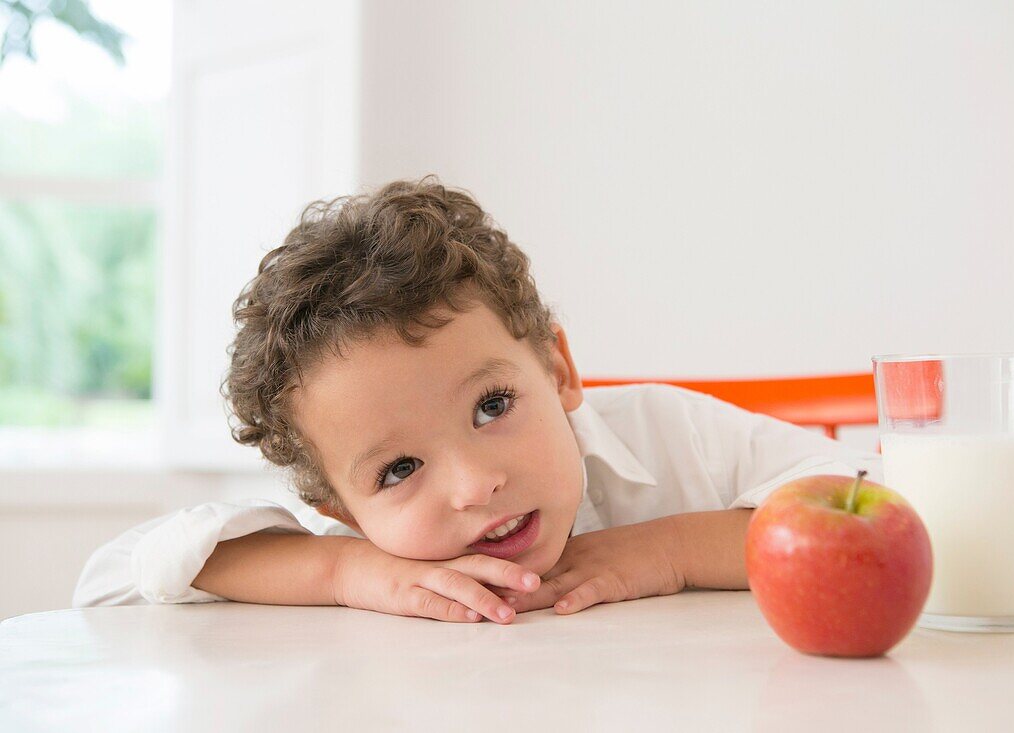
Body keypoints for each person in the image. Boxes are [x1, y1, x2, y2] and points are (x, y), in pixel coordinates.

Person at [73, 176, 881, 625]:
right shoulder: (361, 548)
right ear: (344, 508)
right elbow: (108, 582)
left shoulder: (674, 434)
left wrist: (669, 550)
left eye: (492, 405)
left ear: (558, 369)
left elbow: (879, 506)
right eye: (398, 469)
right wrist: (341, 569)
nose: (472, 484)